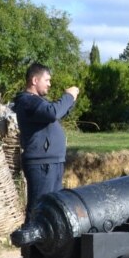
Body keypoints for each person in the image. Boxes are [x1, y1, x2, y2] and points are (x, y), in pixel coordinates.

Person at [13, 63, 78, 220]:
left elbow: (56, 113)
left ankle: (47, 244)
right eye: (47, 80)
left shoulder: (38, 102)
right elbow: (52, 113)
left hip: (52, 162)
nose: (49, 84)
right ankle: (31, 243)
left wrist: (71, 101)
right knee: (39, 208)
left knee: (52, 209)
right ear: (35, 80)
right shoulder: (27, 101)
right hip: (42, 164)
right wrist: (68, 96)